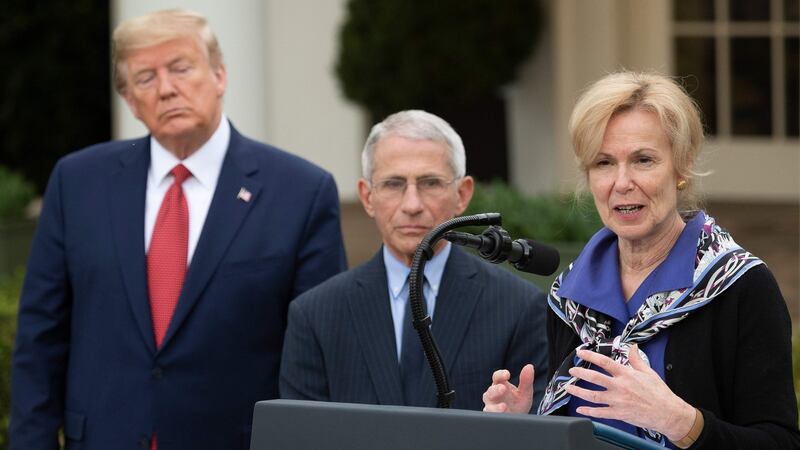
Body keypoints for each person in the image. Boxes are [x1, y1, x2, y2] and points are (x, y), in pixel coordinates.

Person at [10, 9, 346, 449]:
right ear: (130, 100)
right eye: (145, 78)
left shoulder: (301, 191)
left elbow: (320, 354)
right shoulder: (77, 184)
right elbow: (40, 338)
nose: (167, 89)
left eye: (181, 68)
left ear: (220, 75)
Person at [482, 71, 800, 449]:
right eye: (603, 163)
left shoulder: (741, 286)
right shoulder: (569, 297)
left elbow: (779, 442)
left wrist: (681, 422)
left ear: (681, 168)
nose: (621, 182)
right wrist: (521, 430)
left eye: (643, 160)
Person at [279, 110, 548, 410]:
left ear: (462, 194)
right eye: (394, 184)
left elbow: (537, 429)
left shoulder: (518, 307)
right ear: (367, 197)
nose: (412, 205)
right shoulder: (316, 315)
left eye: (430, 183)